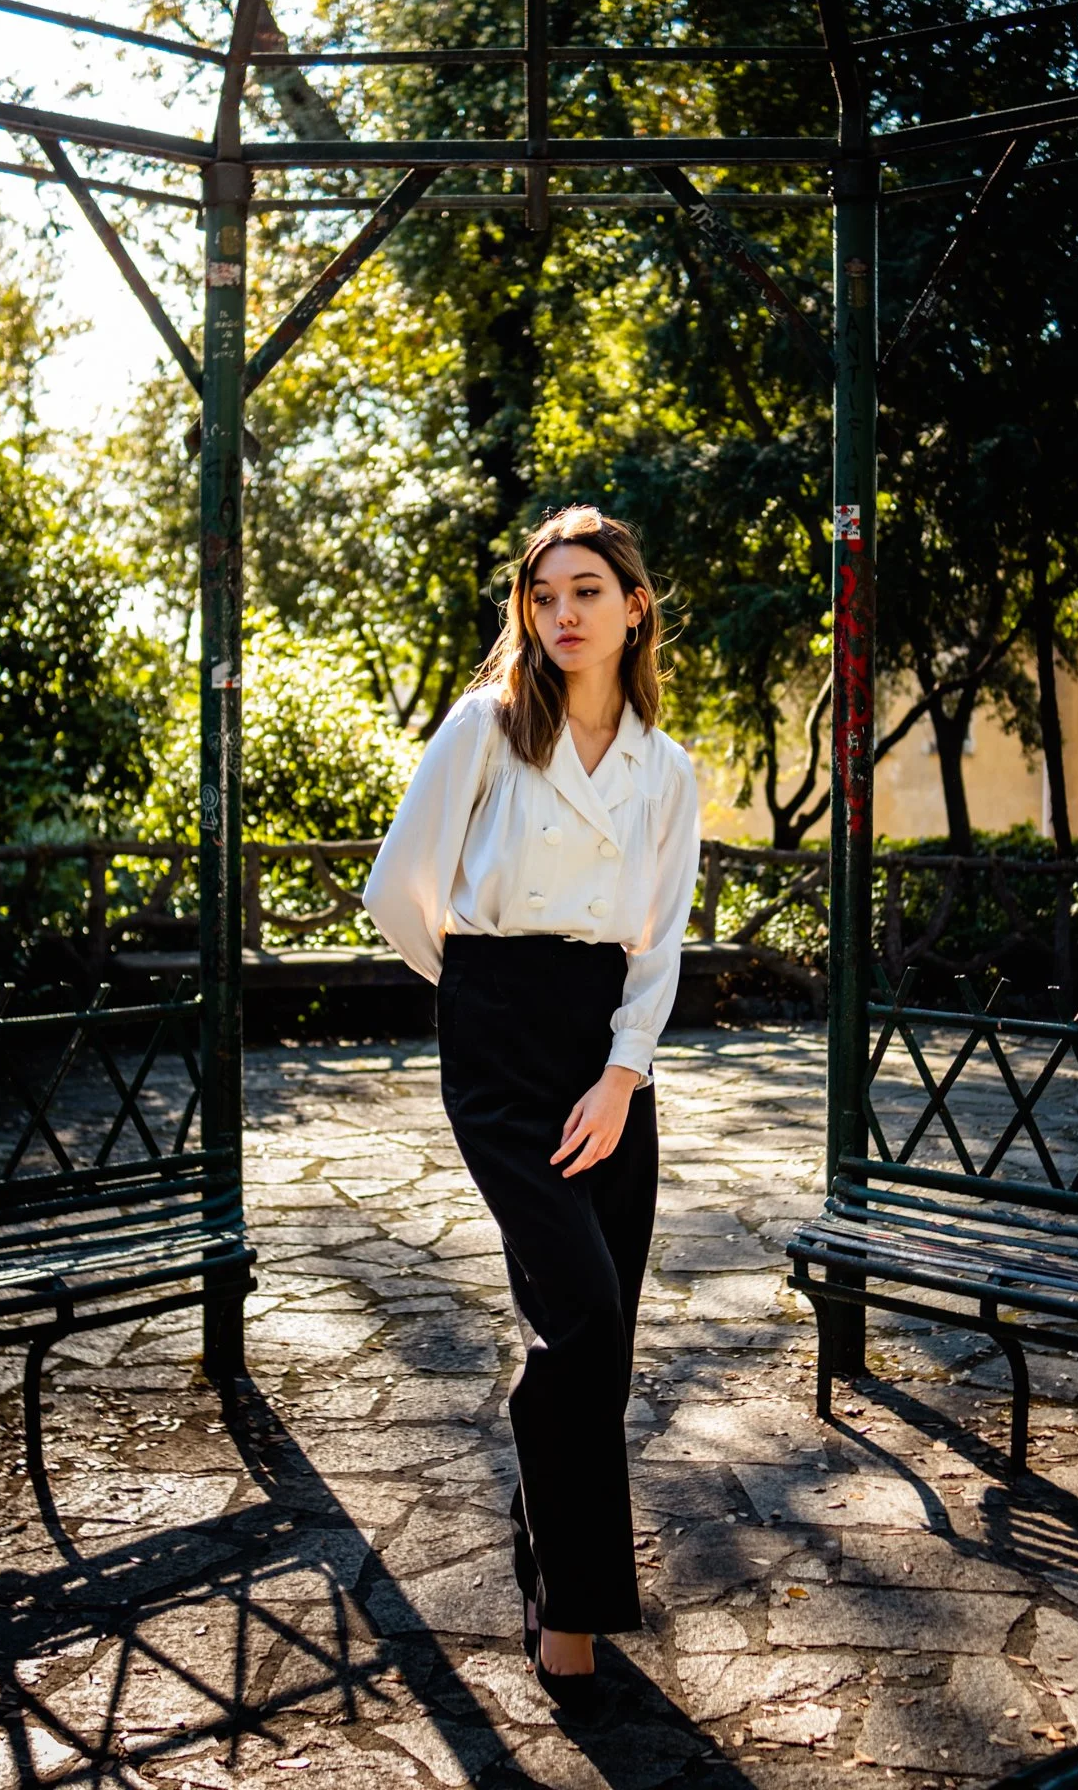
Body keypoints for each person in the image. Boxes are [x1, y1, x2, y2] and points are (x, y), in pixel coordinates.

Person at [363, 504, 701, 1720]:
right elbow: (395, 890)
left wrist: (621, 1073)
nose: (562, 613)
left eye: (586, 591)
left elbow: (659, 942)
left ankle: (546, 1548)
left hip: (607, 1050)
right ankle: (571, 1613)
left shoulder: (666, 769)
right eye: (543, 594)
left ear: (633, 606)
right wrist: (480, 998)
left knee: (595, 1334)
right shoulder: (485, 728)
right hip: (501, 1035)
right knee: (583, 1308)